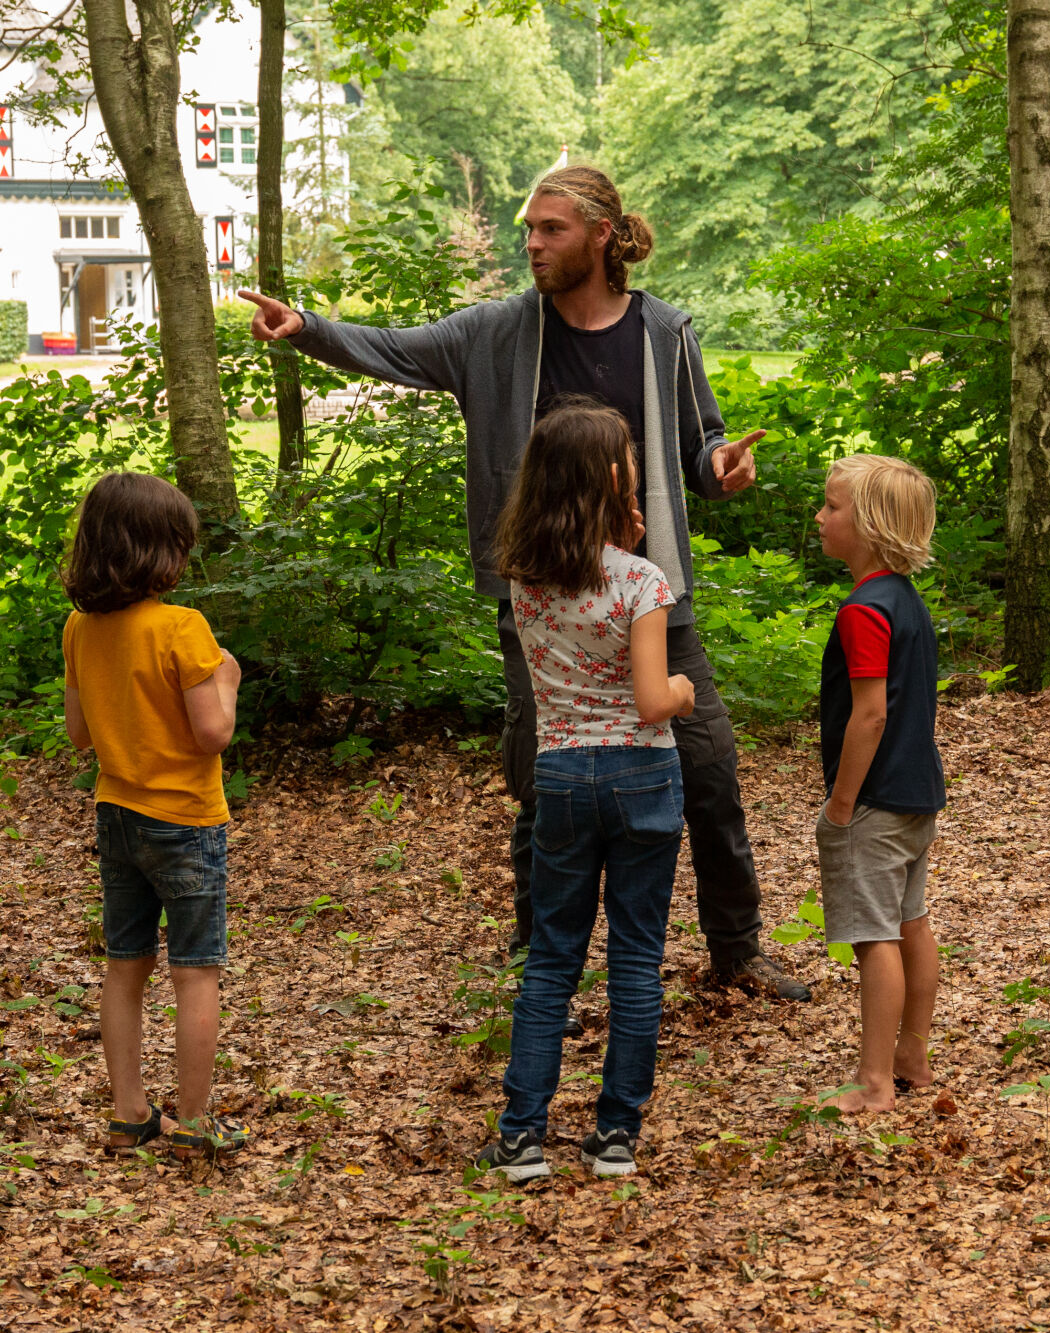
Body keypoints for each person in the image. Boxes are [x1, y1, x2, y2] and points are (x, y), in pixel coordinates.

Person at [239, 164, 810, 1005]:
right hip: (540, 600)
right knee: (546, 778)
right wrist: (308, 327)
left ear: (601, 237)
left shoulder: (666, 332)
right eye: (529, 231)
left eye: (551, 230)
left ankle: (736, 949)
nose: (533, 245)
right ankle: (539, 956)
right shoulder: (499, 333)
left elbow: (703, 441)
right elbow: (394, 348)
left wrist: (719, 467)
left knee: (710, 773)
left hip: (652, 594)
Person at [473, 402, 695, 1181]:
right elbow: (648, 698)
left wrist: (615, 544)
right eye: (629, 457)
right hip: (641, 774)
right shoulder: (643, 580)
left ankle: (523, 1138)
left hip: (562, 772)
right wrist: (683, 688)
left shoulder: (525, 578)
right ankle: (614, 1138)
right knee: (635, 959)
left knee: (552, 959)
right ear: (611, 478)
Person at [61, 472, 249, 1160]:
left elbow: (80, 732)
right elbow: (213, 733)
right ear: (158, 551)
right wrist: (226, 676)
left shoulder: (81, 626)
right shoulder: (183, 628)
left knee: (125, 965)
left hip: (118, 815)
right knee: (195, 970)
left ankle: (129, 1112)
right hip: (187, 820)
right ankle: (195, 1121)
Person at [812, 455, 945, 1114]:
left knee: (876, 937)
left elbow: (870, 713)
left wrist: (841, 803)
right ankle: (911, 1059)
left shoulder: (864, 611)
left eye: (831, 507)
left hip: (875, 801)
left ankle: (873, 1083)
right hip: (918, 794)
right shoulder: (908, 604)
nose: (820, 517)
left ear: (864, 525)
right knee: (911, 922)